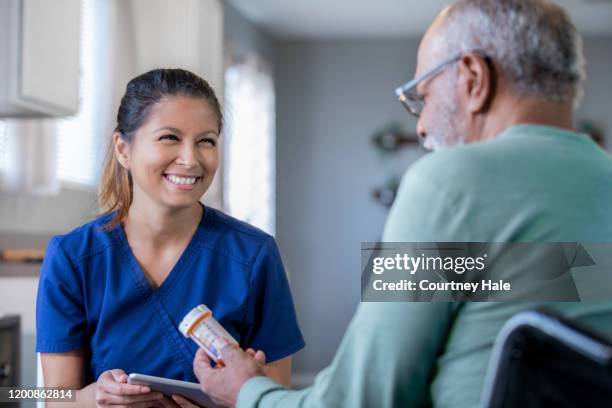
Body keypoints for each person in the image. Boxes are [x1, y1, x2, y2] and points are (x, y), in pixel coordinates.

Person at [192, 1, 612, 407]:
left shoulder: (449, 181)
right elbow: (540, 279)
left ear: (473, 78)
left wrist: (247, 391)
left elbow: (363, 401)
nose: (424, 125)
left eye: (423, 96)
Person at [36, 68, 304, 407]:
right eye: (169, 138)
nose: (190, 159)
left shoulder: (253, 254)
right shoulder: (73, 257)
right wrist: (95, 398)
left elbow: (276, 397)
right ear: (123, 149)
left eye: (205, 141)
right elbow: (52, 399)